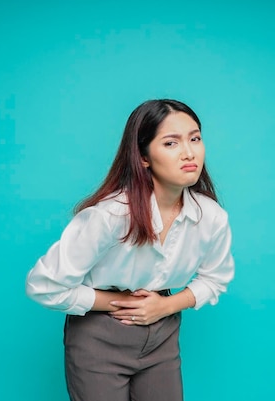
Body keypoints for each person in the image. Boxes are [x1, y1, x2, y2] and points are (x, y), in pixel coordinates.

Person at [25, 99, 235, 401]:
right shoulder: (110, 216)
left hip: (162, 332)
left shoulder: (211, 216)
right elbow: (42, 285)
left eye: (195, 138)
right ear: (144, 156)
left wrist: (165, 306)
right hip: (100, 335)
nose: (189, 152)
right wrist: (117, 302)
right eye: (171, 143)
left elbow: (215, 279)